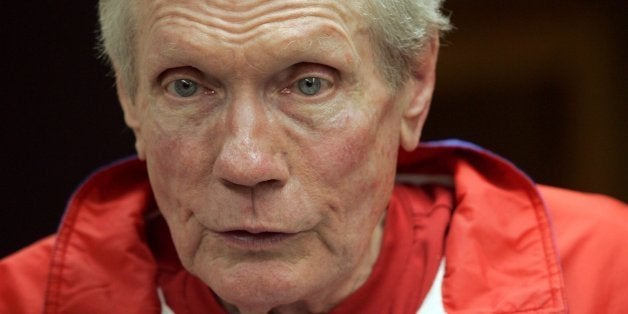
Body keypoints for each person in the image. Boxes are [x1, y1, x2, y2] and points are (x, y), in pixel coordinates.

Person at [1, 0, 627, 313]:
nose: (246, 162)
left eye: (309, 83)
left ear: (415, 84)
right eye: (187, 86)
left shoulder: (609, 277)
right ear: (130, 100)